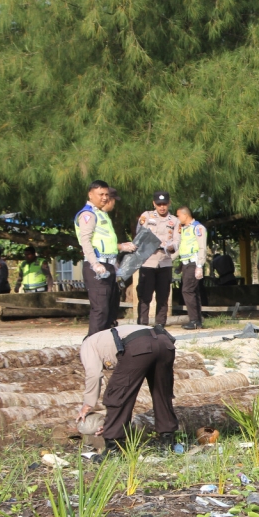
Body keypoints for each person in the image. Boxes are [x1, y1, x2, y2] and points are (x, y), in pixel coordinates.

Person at [77, 324, 178, 453]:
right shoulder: (109, 335)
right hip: (165, 342)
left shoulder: (87, 344)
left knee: (117, 395)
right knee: (162, 393)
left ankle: (114, 449)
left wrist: (88, 404)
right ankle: (167, 443)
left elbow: (94, 374)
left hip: (139, 345)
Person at [76, 180, 136, 336]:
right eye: (100, 194)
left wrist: (120, 251)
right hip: (97, 267)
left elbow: (107, 243)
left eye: (106, 194)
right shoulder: (88, 214)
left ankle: (105, 346)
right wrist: (94, 263)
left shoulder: (102, 214)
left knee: (110, 309)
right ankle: (91, 348)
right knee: (100, 309)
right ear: (90, 194)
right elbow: (85, 241)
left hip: (109, 266)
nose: (104, 198)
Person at [135, 191, 181, 327]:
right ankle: (142, 326)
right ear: (154, 203)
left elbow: (177, 241)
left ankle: (160, 326)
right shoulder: (146, 216)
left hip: (165, 261)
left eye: (165, 204)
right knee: (145, 296)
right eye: (159, 204)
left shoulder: (175, 220)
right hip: (148, 261)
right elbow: (139, 236)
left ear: (169, 203)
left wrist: (171, 247)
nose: (162, 207)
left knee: (163, 297)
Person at [177, 206, 208, 330]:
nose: (178, 219)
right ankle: (197, 321)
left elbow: (202, 248)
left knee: (187, 290)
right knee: (193, 291)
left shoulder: (198, 228)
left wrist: (199, 265)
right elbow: (181, 248)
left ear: (185, 215)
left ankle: (194, 320)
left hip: (193, 263)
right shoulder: (185, 229)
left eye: (179, 216)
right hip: (185, 263)